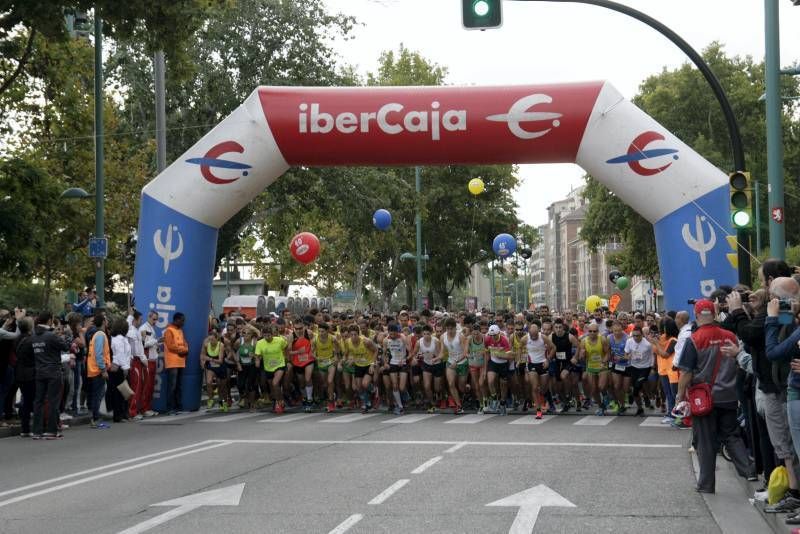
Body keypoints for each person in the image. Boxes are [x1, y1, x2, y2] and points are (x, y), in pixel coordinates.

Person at [676, 299, 756, 494]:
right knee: (731, 435)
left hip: (704, 398)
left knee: (705, 441)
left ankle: (706, 484)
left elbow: (686, 372)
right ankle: (749, 471)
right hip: (728, 395)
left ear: (696, 315)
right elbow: (739, 362)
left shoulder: (694, 339)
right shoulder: (730, 336)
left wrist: (680, 396)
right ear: (714, 313)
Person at [30, 311, 71, 439]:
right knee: (53, 402)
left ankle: (37, 431)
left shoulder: (34, 336)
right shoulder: (50, 335)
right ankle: (51, 431)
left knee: (39, 402)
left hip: (39, 372)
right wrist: (62, 336)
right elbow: (65, 347)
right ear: (49, 321)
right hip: (53, 371)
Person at [525, 320, 555, 419]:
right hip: (532, 364)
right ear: (529, 333)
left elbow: (553, 348)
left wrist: (548, 360)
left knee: (543, 388)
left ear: (538, 331)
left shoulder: (543, 337)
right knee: (534, 387)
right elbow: (519, 349)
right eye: (531, 335)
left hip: (543, 364)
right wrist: (521, 360)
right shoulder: (525, 338)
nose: (533, 338)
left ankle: (542, 400)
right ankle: (538, 410)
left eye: (535, 336)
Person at [256, 324, 289, 414]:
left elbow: (286, 347)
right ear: (263, 335)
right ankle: (280, 399)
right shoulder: (260, 343)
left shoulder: (279, 340)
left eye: (269, 335)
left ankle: (279, 403)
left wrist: (286, 357)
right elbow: (258, 355)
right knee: (273, 387)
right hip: (268, 367)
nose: (267, 337)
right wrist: (257, 361)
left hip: (280, 364)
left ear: (272, 334)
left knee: (275, 383)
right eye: (265, 335)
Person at [86, 315, 110, 428]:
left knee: (97, 394)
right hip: (98, 370)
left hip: (93, 369)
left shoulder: (96, 334)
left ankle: (95, 418)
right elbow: (99, 353)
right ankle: (95, 419)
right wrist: (103, 369)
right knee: (97, 395)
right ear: (103, 322)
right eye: (106, 319)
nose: (108, 321)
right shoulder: (100, 335)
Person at [581, 322, 610, 416]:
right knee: (593, 390)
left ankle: (605, 395)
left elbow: (608, 353)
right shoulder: (584, 341)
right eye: (590, 331)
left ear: (598, 331)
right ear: (587, 331)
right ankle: (601, 406)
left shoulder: (602, 339)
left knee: (601, 386)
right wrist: (582, 354)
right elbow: (582, 357)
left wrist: (604, 362)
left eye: (594, 331)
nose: (592, 333)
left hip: (602, 366)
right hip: (591, 366)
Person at [624, 326, 654, 416]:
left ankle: (646, 396)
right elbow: (626, 354)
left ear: (642, 335)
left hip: (645, 367)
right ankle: (640, 408)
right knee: (635, 390)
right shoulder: (629, 341)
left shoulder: (647, 344)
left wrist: (652, 368)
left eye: (638, 336)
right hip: (634, 367)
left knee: (638, 384)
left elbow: (653, 355)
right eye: (634, 336)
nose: (636, 338)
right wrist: (627, 357)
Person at [383, 321, 411, 415]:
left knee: (402, 387)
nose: (392, 335)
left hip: (402, 362)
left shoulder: (402, 337)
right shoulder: (386, 340)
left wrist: (404, 359)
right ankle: (400, 407)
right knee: (394, 385)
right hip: (393, 363)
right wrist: (385, 363)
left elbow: (410, 351)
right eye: (390, 333)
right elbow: (385, 353)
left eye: (394, 333)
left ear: (397, 332)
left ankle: (406, 394)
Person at [441, 317, 468, 414]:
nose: (449, 331)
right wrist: (435, 358)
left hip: (462, 362)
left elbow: (465, 353)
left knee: (461, 387)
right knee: (451, 383)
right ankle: (459, 405)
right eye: (447, 329)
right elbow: (442, 352)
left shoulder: (460, 337)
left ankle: (467, 391)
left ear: (455, 328)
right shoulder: (443, 337)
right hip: (450, 362)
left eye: (451, 329)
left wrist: (456, 362)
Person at [13, 318, 35, 437]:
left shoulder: (17, 339)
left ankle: (24, 427)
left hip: (20, 372)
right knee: (30, 400)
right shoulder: (31, 340)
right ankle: (29, 428)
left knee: (25, 400)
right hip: (30, 373)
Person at [164, 312, 189, 415]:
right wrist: (183, 350)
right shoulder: (169, 330)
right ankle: (170, 408)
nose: (183, 322)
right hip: (172, 363)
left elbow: (185, 343)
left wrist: (185, 348)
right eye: (182, 320)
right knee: (172, 386)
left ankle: (178, 407)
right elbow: (170, 346)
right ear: (176, 320)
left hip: (180, 362)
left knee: (178, 386)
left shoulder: (180, 330)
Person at [484, 324, 512, 415]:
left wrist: (500, 355)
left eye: (494, 335)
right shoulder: (488, 339)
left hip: (503, 364)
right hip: (493, 363)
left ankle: (503, 403)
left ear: (499, 333)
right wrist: (485, 368)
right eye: (491, 335)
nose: (493, 337)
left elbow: (510, 356)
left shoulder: (504, 340)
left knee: (503, 385)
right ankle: (494, 397)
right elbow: (486, 353)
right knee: (490, 381)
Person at [108, 317, 132, 423]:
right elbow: (120, 354)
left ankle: (124, 413)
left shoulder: (122, 338)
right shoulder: (117, 339)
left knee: (124, 392)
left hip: (122, 367)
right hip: (119, 368)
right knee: (119, 393)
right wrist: (125, 368)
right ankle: (118, 415)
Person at [125, 312, 146, 420]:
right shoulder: (132, 332)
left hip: (136, 360)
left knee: (137, 385)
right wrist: (143, 359)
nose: (141, 321)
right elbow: (137, 349)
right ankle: (132, 411)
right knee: (135, 386)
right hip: (135, 361)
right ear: (135, 320)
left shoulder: (133, 330)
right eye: (140, 319)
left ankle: (134, 410)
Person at [201, 329, 229, 411]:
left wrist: (209, 358)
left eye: (213, 340)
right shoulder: (206, 345)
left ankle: (223, 403)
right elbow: (202, 355)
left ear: (217, 339)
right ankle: (210, 399)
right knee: (209, 382)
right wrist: (202, 362)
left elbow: (220, 360)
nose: (211, 341)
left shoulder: (221, 345)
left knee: (222, 388)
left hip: (221, 367)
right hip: (211, 367)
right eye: (210, 340)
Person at [139, 311, 159, 417]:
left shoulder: (151, 328)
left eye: (156, 319)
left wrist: (157, 344)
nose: (155, 321)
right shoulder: (143, 328)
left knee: (151, 386)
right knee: (147, 386)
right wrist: (156, 341)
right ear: (149, 317)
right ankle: (144, 408)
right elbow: (144, 344)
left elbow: (151, 343)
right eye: (154, 319)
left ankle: (148, 407)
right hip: (147, 360)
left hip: (152, 359)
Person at [467, 323, 488, 414]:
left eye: (477, 333)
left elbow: (487, 354)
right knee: (476, 386)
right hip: (473, 364)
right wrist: (470, 355)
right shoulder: (469, 339)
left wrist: (485, 370)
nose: (475, 336)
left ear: (480, 332)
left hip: (482, 364)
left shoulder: (484, 338)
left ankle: (486, 400)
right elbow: (465, 352)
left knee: (481, 383)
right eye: (473, 334)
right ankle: (481, 404)